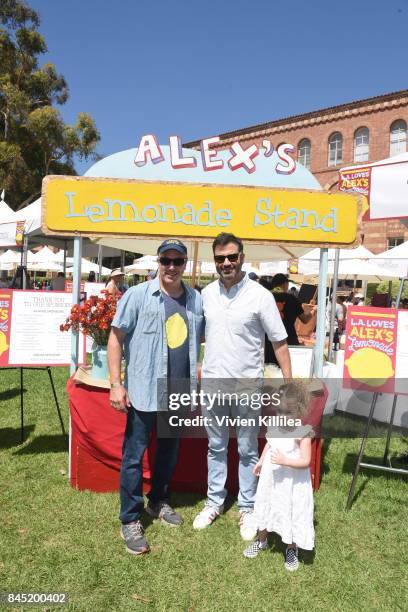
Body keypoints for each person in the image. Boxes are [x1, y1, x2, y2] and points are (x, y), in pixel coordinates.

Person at [107, 238, 204, 556]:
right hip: (143, 390)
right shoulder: (137, 296)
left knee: (169, 451)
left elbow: (197, 345)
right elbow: (115, 339)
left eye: (178, 262)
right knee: (134, 457)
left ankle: (158, 501)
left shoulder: (195, 300)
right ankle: (130, 518)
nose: (172, 267)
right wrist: (115, 384)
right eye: (166, 261)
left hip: (177, 391)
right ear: (158, 263)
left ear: (185, 265)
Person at [193, 232, 292, 539]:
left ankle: (247, 507)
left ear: (242, 258)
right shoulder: (205, 295)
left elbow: (280, 342)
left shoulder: (260, 296)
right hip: (213, 386)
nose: (226, 263)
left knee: (249, 449)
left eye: (232, 257)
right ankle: (215, 501)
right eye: (220, 258)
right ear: (215, 261)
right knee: (216, 447)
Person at [243, 381, 315, 571]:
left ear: (299, 410)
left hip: (291, 482)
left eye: (288, 413)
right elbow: (270, 444)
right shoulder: (275, 425)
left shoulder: (303, 432)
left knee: (289, 511)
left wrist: (285, 460)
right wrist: (260, 461)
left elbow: (306, 461)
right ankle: (262, 540)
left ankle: (292, 548)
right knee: (266, 505)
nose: (283, 417)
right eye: (279, 411)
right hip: (271, 478)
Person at [264, 273, 316, 364]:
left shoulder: (265, 298)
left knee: (269, 372)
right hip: (289, 342)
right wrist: (313, 311)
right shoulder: (291, 298)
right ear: (285, 284)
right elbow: (305, 319)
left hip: (268, 343)